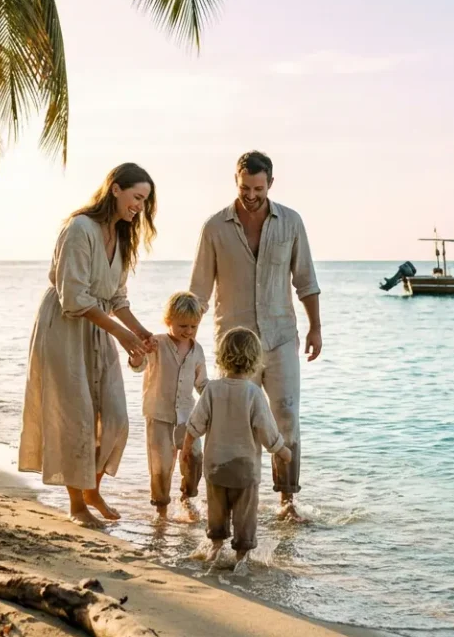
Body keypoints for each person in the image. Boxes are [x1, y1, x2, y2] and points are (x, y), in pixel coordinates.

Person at [19, 163, 157, 527]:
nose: (139, 207)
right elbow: (74, 298)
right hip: (64, 328)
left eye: (144, 201)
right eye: (136, 197)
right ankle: (76, 505)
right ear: (115, 189)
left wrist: (141, 333)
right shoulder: (80, 229)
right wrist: (120, 335)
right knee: (75, 418)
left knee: (115, 417)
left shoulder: (123, 237)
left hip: (98, 326)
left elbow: (118, 297)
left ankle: (91, 487)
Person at [189, 150, 321, 521]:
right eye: (245, 187)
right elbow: (199, 291)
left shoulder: (291, 222)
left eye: (258, 188)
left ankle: (287, 502)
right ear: (236, 181)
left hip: (280, 338)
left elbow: (306, 280)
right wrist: (185, 342)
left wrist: (316, 327)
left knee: (286, 417)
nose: (251, 195)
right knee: (234, 424)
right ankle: (234, 500)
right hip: (233, 347)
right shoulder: (214, 227)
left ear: (271, 184)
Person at [183, 327, 292, 568]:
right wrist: (282, 450)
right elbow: (266, 430)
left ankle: (214, 549)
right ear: (255, 360)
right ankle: (241, 558)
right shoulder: (253, 393)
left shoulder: (211, 389)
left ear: (221, 356)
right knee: (244, 517)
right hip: (244, 471)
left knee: (217, 513)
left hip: (215, 468)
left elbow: (195, 424)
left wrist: (186, 449)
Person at [128, 291, 209, 519]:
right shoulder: (157, 343)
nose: (188, 331)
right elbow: (139, 365)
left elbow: (202, 383)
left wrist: (218, 396)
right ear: (168, 321)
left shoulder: (197, 350)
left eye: (194, 327)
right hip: (159, 415)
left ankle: (187, 497)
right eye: (183, 325)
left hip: (187, 417)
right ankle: (161, 510)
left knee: (194, 457)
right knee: (161, 465)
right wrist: (136, 357)